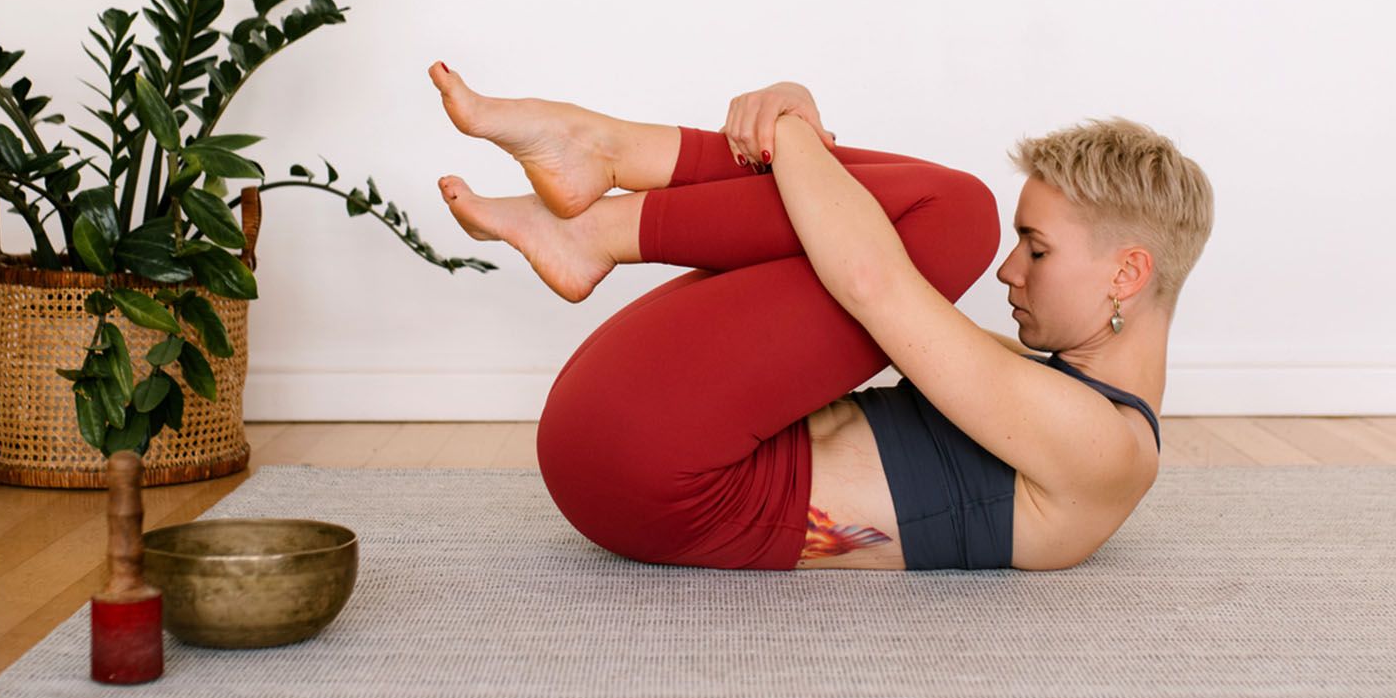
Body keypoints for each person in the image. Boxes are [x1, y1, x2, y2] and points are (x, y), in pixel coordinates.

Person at [430, 63, 1214, 571]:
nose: (1009, 270)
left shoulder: (1105, 447)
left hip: (666, 476)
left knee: (954, 217)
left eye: (1037, 250)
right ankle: (596, 178)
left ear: (1128, 273)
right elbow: (862, 259)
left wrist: (794, 128)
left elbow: (874, 281)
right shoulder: (1055, 401)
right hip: (638, 461)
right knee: (919, 221)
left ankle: (601, 182)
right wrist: (794, 137)